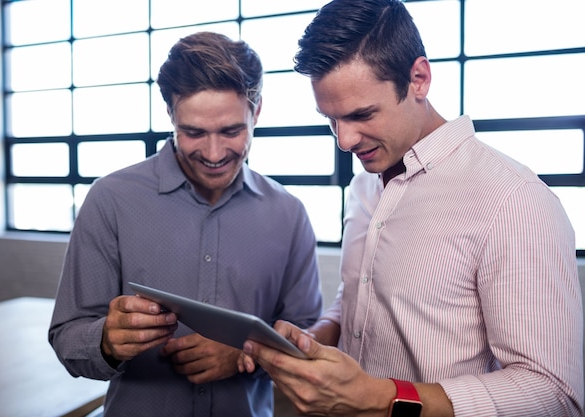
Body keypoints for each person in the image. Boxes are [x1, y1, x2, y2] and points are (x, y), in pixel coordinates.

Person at [241, 1, 584, 416]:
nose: (344, 141)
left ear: (418, 79)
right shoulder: (366, 183)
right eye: (330, 120)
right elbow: (361, 291)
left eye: (361, 114)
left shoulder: (513, 201)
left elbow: (552, 394)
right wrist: (315, 336)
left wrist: (382, 399)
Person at [49, 31, 323, 417]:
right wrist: (107, 342)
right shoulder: (110, 200)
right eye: (194, 132)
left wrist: (248, 352)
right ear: (170, 113)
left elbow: (309, 337)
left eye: (231, 131)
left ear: (256, 111)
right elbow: (67, 339)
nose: (213, 153)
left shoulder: (289, 213)